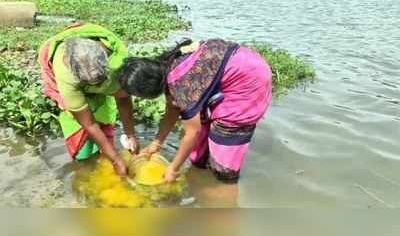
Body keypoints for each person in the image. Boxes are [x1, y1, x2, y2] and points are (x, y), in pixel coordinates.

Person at [119, 38, 272, 183]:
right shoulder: (166, 67)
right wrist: (156, 143)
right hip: (241, 63)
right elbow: (173, 109)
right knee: (199, 155)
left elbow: (192, 133)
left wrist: (172, 168)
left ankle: (225, 185)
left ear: (148, 91)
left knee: (224, 155)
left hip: (250, 80)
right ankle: (201, 170)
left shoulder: (181, 86)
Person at [38, 23, 139, 176]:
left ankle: (106, 148)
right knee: (82, 153)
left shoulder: (115, 60)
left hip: (101, 74)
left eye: (100, 83)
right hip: (73, 81)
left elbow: (123, 99)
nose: (98, 87)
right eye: (91, 83)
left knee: (105, 127)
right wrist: (116, 160)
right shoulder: (67, 77)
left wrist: (131, 134)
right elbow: (89, 123)